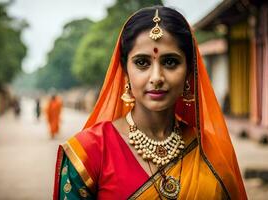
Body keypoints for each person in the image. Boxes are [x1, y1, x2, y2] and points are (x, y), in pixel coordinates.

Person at [53, 6, 247, 200]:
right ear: (125, 71)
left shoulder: (212, 152)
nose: (156, 77)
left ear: (189, 71)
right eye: (142, 63)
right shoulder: (89, 152)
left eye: (170, 62)